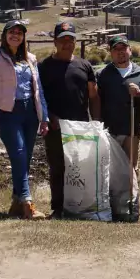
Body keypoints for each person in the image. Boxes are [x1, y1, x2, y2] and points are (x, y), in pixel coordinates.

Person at [0, 4, 49, 220]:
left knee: (24, 158)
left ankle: (17, 203)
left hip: (30, 114)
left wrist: (45, 117)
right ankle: (27, 203)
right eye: (11, 32)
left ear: (24, 37)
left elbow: (38, 89)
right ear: (5, 36)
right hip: (8, 113)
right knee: (20, 153)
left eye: (19, 32)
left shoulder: (30, 60)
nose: (15, 35)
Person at [38, 21, 100, 219]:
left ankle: (80, 207)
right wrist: (49, 118)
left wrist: (96, 122)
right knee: (58, 168)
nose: (67, 44)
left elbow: (93, 96)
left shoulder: (84, 65)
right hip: (56, 127)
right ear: (55, 42)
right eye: (63, 40)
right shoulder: (44, 67)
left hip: (80, 126)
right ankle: (58, 208)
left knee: (80, 167)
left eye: (71, 40)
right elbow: (39, 98)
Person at [96, 36, 140, 218]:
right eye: (116, 49)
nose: (120, 52)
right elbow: (96, 101)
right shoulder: (103, 75)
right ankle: (111, 207)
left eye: (123, 48)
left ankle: (132, 209)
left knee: (131, 167)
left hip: (132, 130)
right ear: (111, 53)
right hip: (109, 130)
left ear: (130, 50)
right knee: (109, 169)